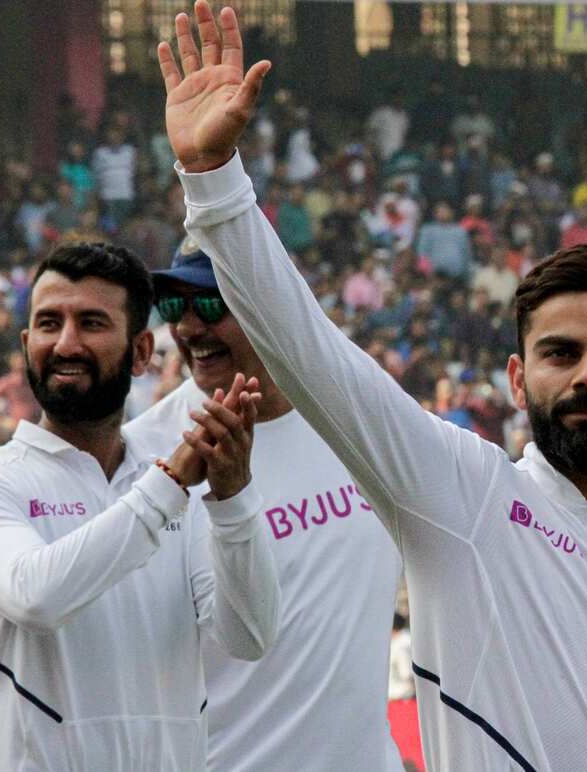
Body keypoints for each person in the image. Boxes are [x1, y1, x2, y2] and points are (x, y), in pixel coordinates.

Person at [156, 6, 587, 769]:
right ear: (518, 379)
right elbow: (312, 353)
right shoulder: (462, 501)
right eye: (560, 353)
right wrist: (215, 186)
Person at [0, 242, 278, 771]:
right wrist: (170, 484)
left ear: (142, 352)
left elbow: (249, 635)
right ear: (27, 344)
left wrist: (233, 499)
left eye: (92, 323)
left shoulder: (165, 488)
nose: (66, 343)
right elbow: (37, 597)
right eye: (49, 324)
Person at [125, 241, 404, 772]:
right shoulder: (146, 457)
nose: (187, 327)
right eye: (173, 305)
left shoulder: (362, 420)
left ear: (272, 305)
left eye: (209, 304)